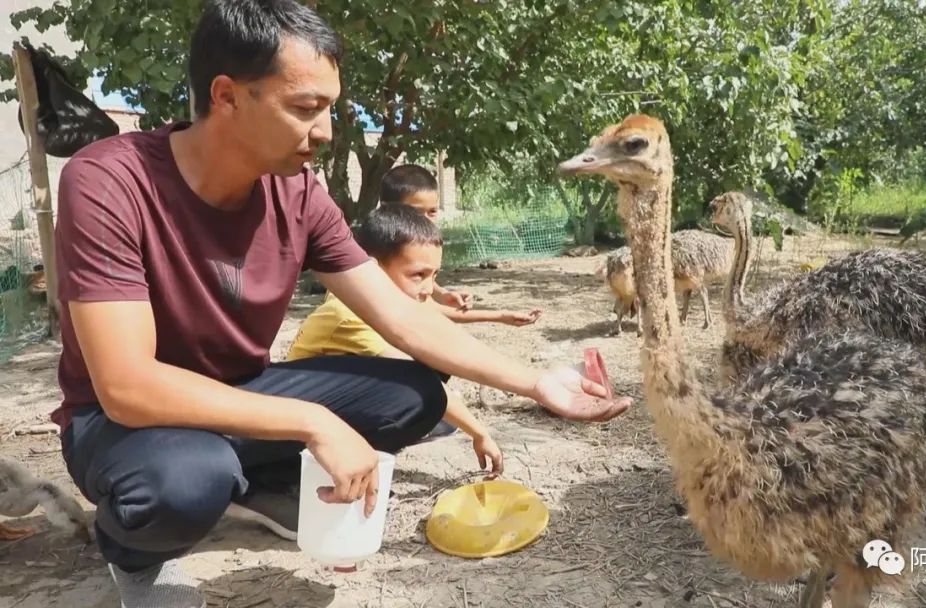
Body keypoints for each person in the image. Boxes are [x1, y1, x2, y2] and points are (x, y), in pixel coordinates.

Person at [51, 1, 629, 606]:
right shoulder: (110, 181)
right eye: (306, 108)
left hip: (241, 393)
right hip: (122, 423)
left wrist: (537, 383)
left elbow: (401, 315)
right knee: (186, 482)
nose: (325, 131)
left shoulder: (298, 193)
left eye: (329, 108)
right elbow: (127, 385)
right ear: (226, 96)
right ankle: (136, 555)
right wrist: (314, 420)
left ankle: (261, 482)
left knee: (417, 395)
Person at [288, 204, 543, 477]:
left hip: (335, 393)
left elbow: (437, 318)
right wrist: (479, 433)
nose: (428, 289)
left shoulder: (382, 299)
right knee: (421, 381)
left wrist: (501, 315)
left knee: (436, 364)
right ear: (372, 269)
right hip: (300, 418)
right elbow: (422, 377)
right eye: (418, 275)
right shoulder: (349, 314)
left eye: (434, 276)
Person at [376, 163, 473, 310]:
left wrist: (442, 294)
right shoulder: (378, 246)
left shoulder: (418, 244)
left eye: (432, 211)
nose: (426, 220)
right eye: (416, 212)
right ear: (387, 208)